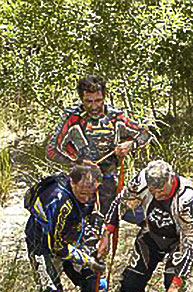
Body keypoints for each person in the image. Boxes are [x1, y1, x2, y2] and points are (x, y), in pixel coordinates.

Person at [101, 159, 193, 292]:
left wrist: (175, 286)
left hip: (178, 241)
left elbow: (191, 243)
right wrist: (106, 233)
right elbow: (119, 202)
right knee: (132, 279)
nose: (157, 195)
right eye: (153, 191)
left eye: (162, 191)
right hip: (152, 231)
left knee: (171, 287)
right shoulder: (141, 180)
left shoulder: (186, 198)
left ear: (171, 178)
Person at [46, 74, 152, 218]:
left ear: (104, 97)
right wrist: (78, 163)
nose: (94, 106)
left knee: (126, 218)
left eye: (98, 100)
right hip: (80, 183)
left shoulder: (115, 117)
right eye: (88, 101)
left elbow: (144, 134)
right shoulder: (72, 118)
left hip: (108, 182)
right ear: (81, 99)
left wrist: (131, 144)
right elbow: (51, 151)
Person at [25, 161, 108, 292]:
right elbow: (57, 246)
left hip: (72, 240)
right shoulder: (58, 201)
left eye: (90, 193)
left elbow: (93, 217)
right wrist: (88, 260)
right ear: (72, 182)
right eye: (83, 193)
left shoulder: (90, 192)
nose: (87, 198)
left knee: (96, 283)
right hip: (43, 248)